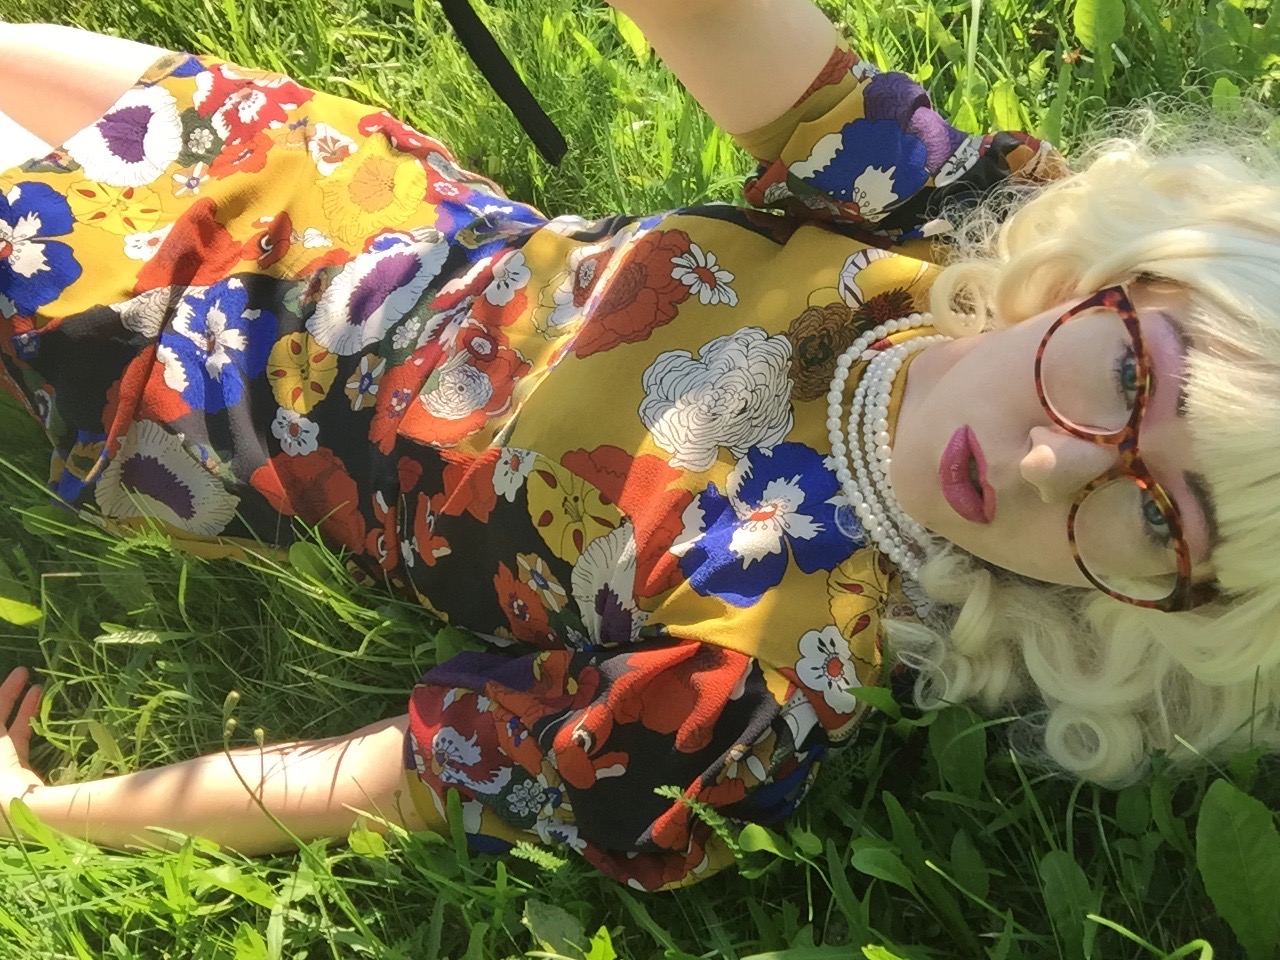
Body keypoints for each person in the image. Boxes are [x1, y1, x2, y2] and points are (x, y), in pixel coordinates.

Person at [0, 1, 1277, 892]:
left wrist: (35, 813)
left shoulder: (755, 679)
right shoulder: (938, 221)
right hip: (347, 189)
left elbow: (396, 776)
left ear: (1173, 609)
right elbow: (718, 22)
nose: (1050, 463)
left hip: (194, 378)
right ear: (1116, 281)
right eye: (1128, 377)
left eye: (1156, 517)